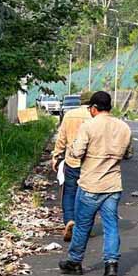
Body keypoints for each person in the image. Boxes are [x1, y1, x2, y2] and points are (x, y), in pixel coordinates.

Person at [59, 91, 133, 276]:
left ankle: (75, 262)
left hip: (90, 185)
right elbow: (129, 154)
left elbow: (77, 152)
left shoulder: (88, 126)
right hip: (113, 185)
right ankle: (111, 265)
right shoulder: (124, 127)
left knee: (83, 225)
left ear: (93, 108)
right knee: (111, 226)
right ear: (110, 107)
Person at [51, 92, 93, 242]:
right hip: (91, 164)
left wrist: (56, 155)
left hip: (71, 162)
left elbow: (61, 138)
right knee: (88, 196)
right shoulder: (94, 117)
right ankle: (83, 226)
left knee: (69, 192)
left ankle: (69, 220)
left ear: (80, 101)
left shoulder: (69, 115)